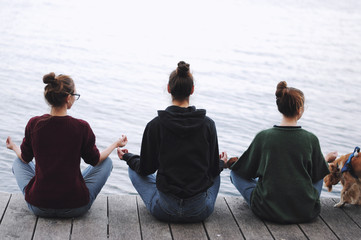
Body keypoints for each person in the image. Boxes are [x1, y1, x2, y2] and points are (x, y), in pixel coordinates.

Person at [117, 61, 227, 223]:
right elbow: (212, 169)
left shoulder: (155, 125)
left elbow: (146, 169)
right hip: (199, 212)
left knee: (133, 168)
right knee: (216, 169)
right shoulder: (208, 124)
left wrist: (128, 157)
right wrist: (221, 163)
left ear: (169, 89)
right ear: (192, 90)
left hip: (164, 210)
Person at [6, 72, 127, 218]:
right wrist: (115, 144)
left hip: (39, 206)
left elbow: (25, 158)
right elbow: (95, 160)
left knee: (17, 163)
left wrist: (13, 147)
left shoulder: (34, 124)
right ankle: (72, 186)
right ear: (68, 98)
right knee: (106, 162)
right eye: (75, 95)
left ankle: (49, 190)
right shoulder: (81, 127)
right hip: (76, 207)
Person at [228, 81, 337, 224]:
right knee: (320, 171)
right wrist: (325, 159)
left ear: (280, 107)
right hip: (306, 211)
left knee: (234, 173)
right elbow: (316, 174)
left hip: (267, 210)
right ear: (300, 110)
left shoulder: (264, 136)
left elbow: (244, 171)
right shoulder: (311, 139)